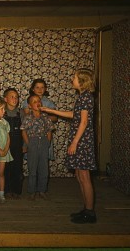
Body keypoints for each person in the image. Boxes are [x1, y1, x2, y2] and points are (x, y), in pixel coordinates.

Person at [41, 68, 97, 224]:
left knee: (84, 176)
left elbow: (84, 122)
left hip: (82, 141)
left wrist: (75, 142)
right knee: (80, 175)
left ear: (82, 81)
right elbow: (75, 115)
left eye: (75, 77)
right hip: (80, 140)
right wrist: (51, 110)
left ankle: (90, 212)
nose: (72, 79)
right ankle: (86, 208)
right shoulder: (82, 97)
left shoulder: (86, 97)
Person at [21, 94, 54, 200]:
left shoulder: (45, 117)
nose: (37, 103)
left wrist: (47, 142)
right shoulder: (27, 118)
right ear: (29, 106)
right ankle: (32, 191)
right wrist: (28, 143)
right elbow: (24, 132)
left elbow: (49, 130)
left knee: (44, 169)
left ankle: (42, 190)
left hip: (43, 142)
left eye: (38, 101)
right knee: (33, 168)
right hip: (33, 142)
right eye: (34, 102)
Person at [22, 78, 58, 160]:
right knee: (32, 160)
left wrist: (43, 117)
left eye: (42, 87)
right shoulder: (27, 101)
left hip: (45, 135)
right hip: (32, 135)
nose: (40, 90)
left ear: (45, 89)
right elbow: (27, 115)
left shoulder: (49, 102)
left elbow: (55, 118)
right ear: (33, 89)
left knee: (43, 160)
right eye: (37, 87)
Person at [3, 88, 24, 199]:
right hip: (5, 144)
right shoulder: (2, 112)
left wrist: (25, 145)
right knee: (6, 168)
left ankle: (17, 190)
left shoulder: (21, 113)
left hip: (17, 144)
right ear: (5, 99)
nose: (15, 99)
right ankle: (7, 190)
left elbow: (25, 131)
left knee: (17, 167)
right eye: (12, 97)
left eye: (16, 97)